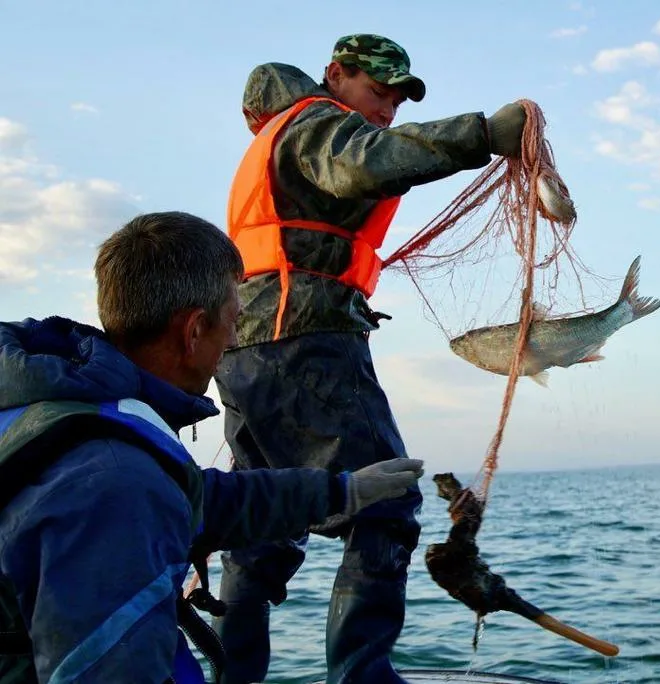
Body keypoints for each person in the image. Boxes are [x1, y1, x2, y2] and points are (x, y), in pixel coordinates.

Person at [214, 33, 528, 684]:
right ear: (335, 75)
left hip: (246, 349)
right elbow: (369, 160)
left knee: (262, 522)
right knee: (384, 502)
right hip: (302, 342)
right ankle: (361, 678)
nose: (386, 107)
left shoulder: (277, 141)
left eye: (397, 97)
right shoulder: (316, 126)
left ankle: (232, 676)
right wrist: (485, 134)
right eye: (377, 90)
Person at [0, 211, 425, 684]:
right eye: (233, 321)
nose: (238, 339)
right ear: (194, 330)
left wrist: (341, 491)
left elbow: (205, 500)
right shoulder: (116, 484)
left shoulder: (68, 407)